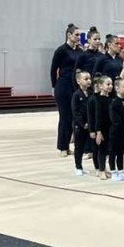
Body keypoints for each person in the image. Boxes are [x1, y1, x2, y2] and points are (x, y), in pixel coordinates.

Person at [50, 23, 82, 156]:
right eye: (77, 35)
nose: (79, 37)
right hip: (63, 86)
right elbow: (53, 70)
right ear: (69, 35)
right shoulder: (61, 50)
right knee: (65, 117)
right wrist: (53, 86)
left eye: (79, 35)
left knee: (75, 117)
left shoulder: (80, 51)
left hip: (76, 86)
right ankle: (63, 147)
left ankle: (72, 146)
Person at [109, 78, 124, 181]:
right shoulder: (114, 103)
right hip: (116, 132)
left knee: (121, 152)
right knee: (113, 152)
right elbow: (115, 120)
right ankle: (113, 171)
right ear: (117, 88)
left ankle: (121, 171)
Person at [71, 70, 91, 175]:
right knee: (79, 147)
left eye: (89, 79)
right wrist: (83, 123)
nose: (89, 81)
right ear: (78, 81)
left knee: (89, 146)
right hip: (79, 125)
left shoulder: (91, 94)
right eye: (86, 79)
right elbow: (75, 112)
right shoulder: (76, 95)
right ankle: (78, 166)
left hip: (89, 124)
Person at [94, 76, 113, 179]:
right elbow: (98, 117)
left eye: (111, 84)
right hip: (102, 128)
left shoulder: (111, 99)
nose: (110, 86)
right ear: (100, 86)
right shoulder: (98, 100)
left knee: (107, 151)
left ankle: (105, 168)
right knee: (102, 149)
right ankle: (101, 170)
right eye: (108, 84)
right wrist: (98, 131)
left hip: (110, 127)